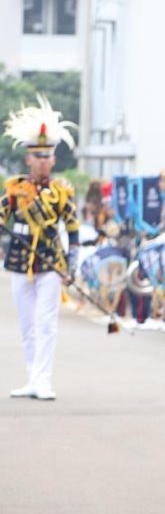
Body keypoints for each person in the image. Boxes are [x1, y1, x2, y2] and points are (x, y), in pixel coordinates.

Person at [3, 95, 81, 401]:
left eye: (48, 156)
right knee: (26, 324)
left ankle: (43, 380)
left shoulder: (62, 192)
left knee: (46, 323)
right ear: (28, 159)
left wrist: (71, 266)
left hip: (50, 262)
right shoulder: (14, 189)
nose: (44, 161)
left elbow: (73, 230)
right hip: (20, 260)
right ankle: (31, 377)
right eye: (38, 156)